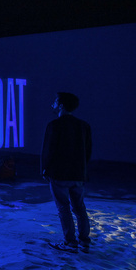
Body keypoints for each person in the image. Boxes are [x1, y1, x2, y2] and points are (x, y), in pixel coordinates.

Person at [41, 92, 92, 253]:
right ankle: (84, 241)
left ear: (61, 105)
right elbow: (88, 151)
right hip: (78, 174)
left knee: (63, 208)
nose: (53, 104)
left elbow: (49, 150)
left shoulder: (54, 125)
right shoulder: (84, 126)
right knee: (80, 208)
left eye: (55, 101)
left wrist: (45, 169)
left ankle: (70, 242)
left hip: (59, 174)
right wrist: (82, 170)